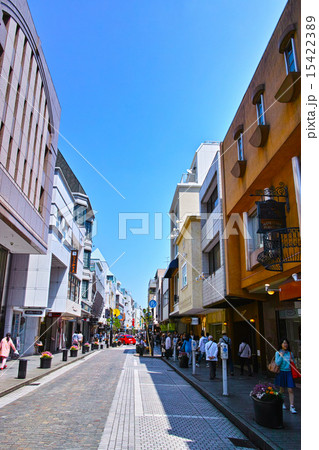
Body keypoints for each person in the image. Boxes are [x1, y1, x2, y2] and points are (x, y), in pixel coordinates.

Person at [275, 338, 297, 414]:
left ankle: (292, 406)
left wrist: (292, 361)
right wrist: (281, 356)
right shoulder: (278, 353)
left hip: (289, 373)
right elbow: (277, 363)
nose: (285, 344)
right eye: (284, 343)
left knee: (290, 389)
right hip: (281, 372)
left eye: (286, 343)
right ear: (281, 344)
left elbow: (294, 362)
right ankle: (282, 402)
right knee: (282, 390)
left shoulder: (290, 353)